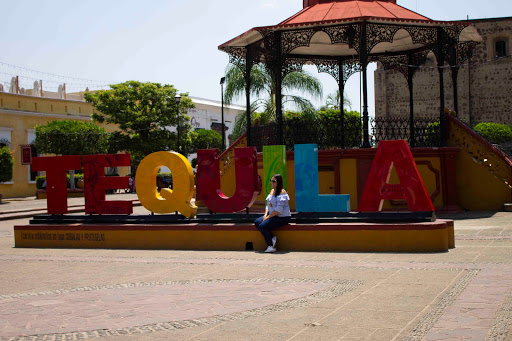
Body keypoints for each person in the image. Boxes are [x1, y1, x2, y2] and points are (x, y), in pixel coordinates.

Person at [254, 174, 291, 253]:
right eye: (271, 181)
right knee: (257, 222)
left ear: (279, 182)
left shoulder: (282, 192)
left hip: (282, 217)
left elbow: (278, 210)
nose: (271, 183)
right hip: (272, 215)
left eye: (274, 181)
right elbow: (268, 205)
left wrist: (267, 217)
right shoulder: (272, 191)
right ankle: (272, 238)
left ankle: (270, 246)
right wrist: (265, 215)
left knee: (262, 226)